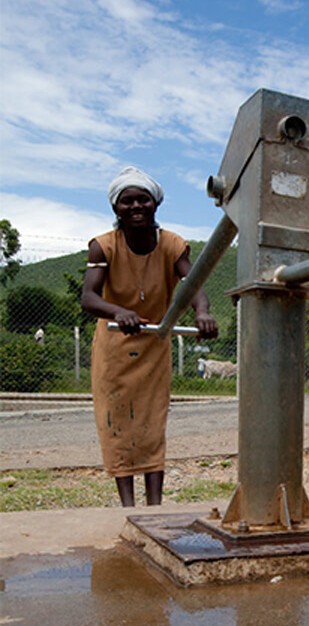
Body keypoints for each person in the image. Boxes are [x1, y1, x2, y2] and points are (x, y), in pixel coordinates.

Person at [82, 167, 217, 507]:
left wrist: (202, 312)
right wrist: (118, 312)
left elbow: (194, 284)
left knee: (152, 422)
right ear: (116, 208)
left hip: (155, 342)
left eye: (143, 199)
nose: (136, 206)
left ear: (156, 204)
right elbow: (89, 297)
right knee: (117, 423)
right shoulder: (103, 247)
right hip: (115, 346)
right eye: (127, 201)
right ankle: (128, 507)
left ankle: (154, 506)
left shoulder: (172, 245)